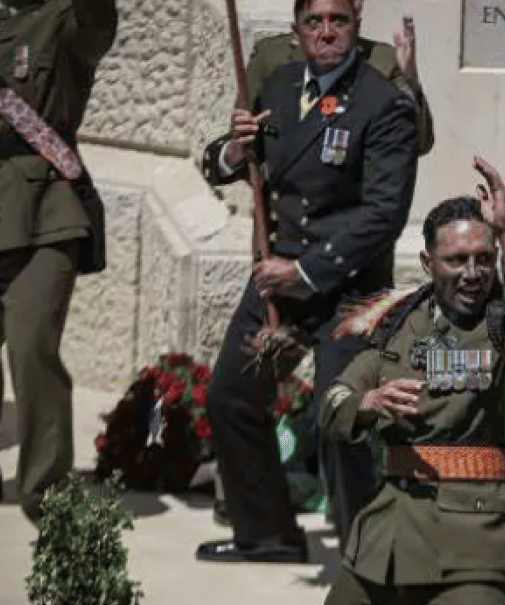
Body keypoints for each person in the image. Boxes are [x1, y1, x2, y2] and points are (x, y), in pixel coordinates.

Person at [304, 159, 505, 605]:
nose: (472, 273)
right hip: (389, 538)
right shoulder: (398, 327)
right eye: (456, 260)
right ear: (428, 263)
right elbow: (334, 400)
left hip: (470, 545)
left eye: (483, 259)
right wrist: (367, 405)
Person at [195, 0, 419, 563]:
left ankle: (364, 554)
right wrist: (233, 151)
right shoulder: (278, 85)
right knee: (231, 397)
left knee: (339, 413)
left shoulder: (385, 103)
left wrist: (306, 272)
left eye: (338, 21)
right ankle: (267, 534)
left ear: (356, 27)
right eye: (314, 21)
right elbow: (224, 162)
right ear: (297, 29)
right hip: (278, 277)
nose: (326, 32)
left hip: (346, 286)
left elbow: (385, 213)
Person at [0, 0, 117, 519]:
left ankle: (45, 490)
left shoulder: (63, 19)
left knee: (32, 344)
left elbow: (96, 18)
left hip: (44, 211)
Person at [246, 0, 434, 158]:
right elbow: (244, 140)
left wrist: (411, 80)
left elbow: (418, 143)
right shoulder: (271, 57)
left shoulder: (383, 61)